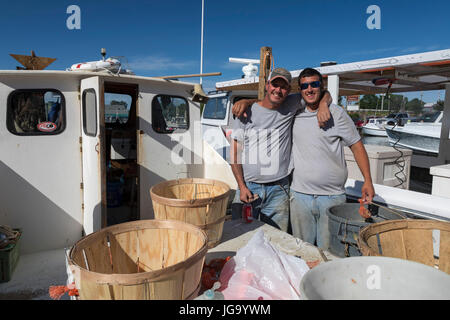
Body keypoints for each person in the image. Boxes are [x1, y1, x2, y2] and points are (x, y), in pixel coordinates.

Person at [230, 68, 332, 232]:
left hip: (279, 190)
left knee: (278, 241)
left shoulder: (292, 103)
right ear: (267, 85)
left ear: (289, 91)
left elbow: (323, 93)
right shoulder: (245, 112)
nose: (278, 90)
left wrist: (323, 105)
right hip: (248, 188)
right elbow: (235, 154)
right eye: (274, 85)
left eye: (283, 87)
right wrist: (241, 186)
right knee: (240, 236)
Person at [289, 68, 374, 249]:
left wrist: (368, 180)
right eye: (304, 85)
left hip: (332, 197)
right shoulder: (294, 112)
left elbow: (357, 146)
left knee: (329, 254)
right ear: (300, 89)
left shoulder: (337, 114)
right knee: (301, 251)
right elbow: (268, 103)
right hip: (299, 195)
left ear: (322, 86)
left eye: (314, 84)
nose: (309, 89)